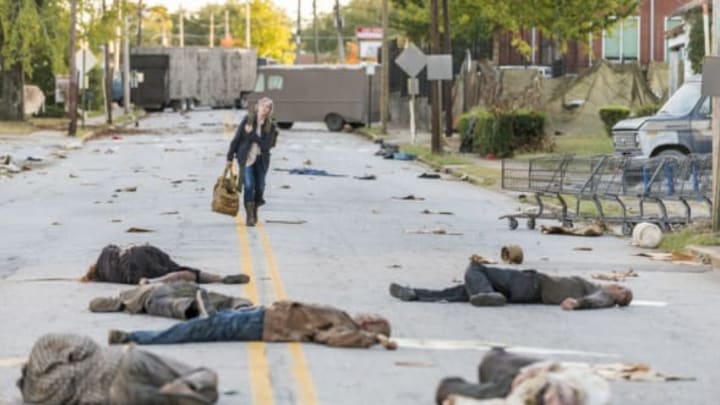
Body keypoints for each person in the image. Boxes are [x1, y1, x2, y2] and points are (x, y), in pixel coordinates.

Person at [107, 300, 397, 350]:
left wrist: (371, 339)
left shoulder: (347, 328)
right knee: (204, 324)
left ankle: (136, 337)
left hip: (262, 324)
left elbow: (331, 339)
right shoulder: (345, 320)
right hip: (262, 315)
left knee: (198, 330)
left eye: (372, 317)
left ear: (370, 324)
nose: (367, 313)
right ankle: (138, 337)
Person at [18, 333, 219, 404]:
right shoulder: (42, 349)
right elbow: (85, 346)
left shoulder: (36, 397)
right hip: (120, 362)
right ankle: (187, 383)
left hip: (114, 396)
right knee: (206, 376)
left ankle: (176, 395)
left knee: (196, 398)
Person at [389, 261, 633, 310]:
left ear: (618, 298)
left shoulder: (601, 295)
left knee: (476, 269)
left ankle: (486, 294)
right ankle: (416, 294)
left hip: (531, 283)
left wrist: (578, 303)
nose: (618, 286)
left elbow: (597, 301)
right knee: (461, 291)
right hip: (526, 291)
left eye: (623, 291)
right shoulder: (595, 287)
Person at [435, 347, 610, 405]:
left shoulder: (522, 400)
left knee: (446, 389)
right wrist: (542, 370)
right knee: (492, 360)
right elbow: (564, 369)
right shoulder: (589, 386)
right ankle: (495, 361)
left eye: (550, 401)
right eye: (558, 395)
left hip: (511, 388)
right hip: (531, 374)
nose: (551, 398)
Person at [81, 244, 250, 285]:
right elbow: (115, 249)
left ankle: (220, 278)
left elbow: (129, 273)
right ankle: (220, 278)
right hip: (145, 250)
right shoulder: (105, 255)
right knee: (174, 266)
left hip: (136, 263)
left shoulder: (107, 272)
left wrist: (140, 281)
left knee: (176, 274)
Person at [226, 97, 279, 227]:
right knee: (249, 185)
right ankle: (250, 216)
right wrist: (229, 157)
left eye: (268, 107)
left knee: (260, 186)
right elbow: (237, 138)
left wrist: (252, 135)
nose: (265, 110)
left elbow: (266, 146)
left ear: (270, 110)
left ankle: (255, 206)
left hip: (262, 159)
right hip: (246, 158)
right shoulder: (248, 120)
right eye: (263, 106)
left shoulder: (270, 125)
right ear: (257, 107)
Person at [88, 281, 253, 320]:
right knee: (217, 298)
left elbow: (94, 303)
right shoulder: (142, 285)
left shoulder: (124, 298)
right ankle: (239, 304)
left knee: (171, 305)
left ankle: (194, 306)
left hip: (153, 296)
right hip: (176, 285)